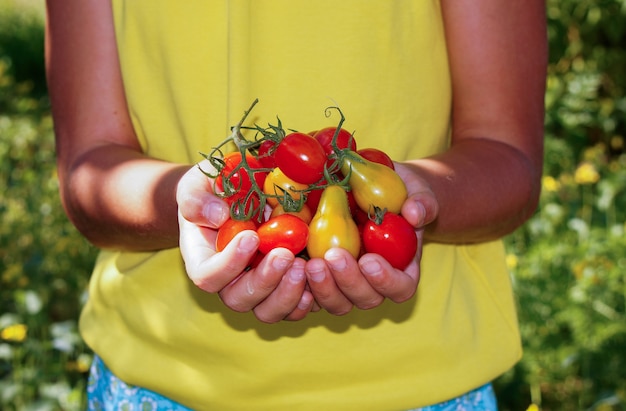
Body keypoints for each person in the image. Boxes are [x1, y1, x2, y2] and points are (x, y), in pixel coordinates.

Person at [45, 1, 547, 410]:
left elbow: (508, 156)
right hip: (156, 382)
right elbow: (89, 172)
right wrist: (191, 207)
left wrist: (425, 196)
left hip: (425, 384)